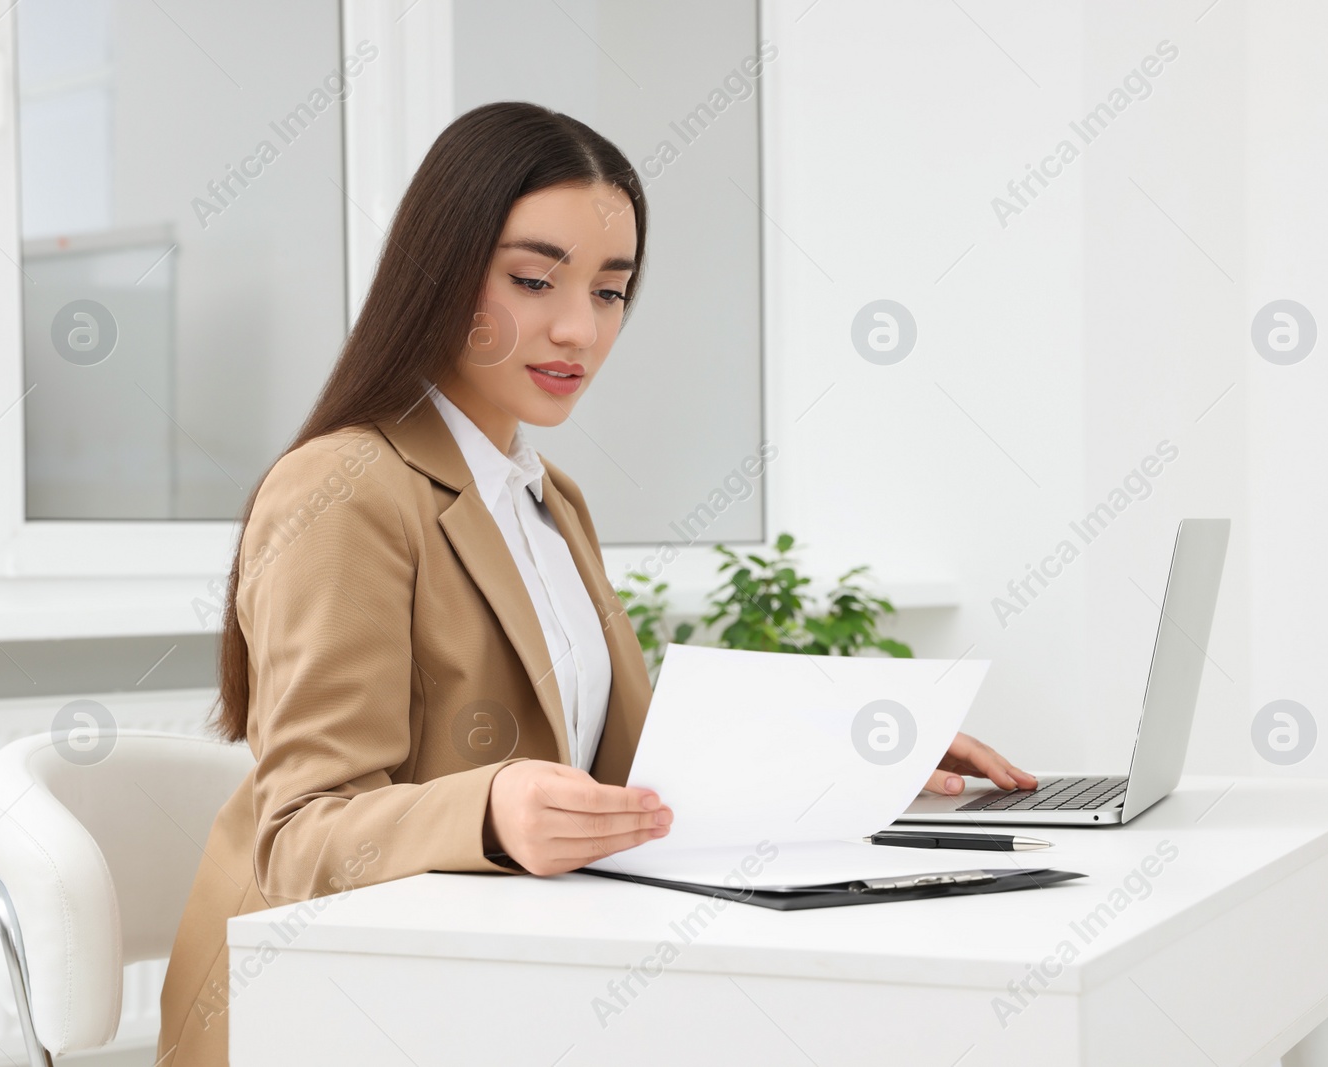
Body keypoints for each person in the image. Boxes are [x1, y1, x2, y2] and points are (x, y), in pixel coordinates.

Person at [156, 100, 1035, 1066]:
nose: (578, 328)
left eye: (610, 292)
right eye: (535, 280)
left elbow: (633, 774)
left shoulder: (547, 498)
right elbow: (298, 837)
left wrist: (847, 758)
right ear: (439, 272)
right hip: (324, 1007)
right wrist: (490, 812)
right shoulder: (344, 487)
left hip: (491, 976)